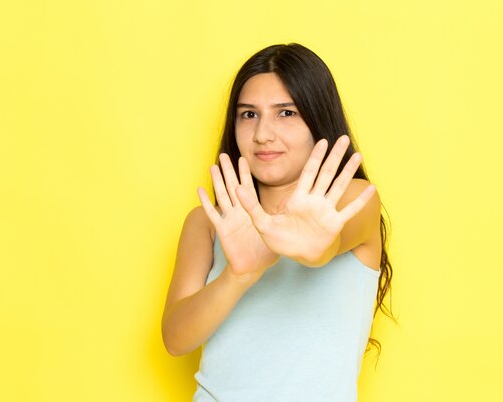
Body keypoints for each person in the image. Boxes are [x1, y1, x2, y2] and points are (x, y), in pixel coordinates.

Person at [162, 43, 393, 402]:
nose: (262, 135)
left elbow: (323, 247)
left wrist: (313, 245)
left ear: (317, 119)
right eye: (248, 114)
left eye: (286, 113)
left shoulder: (353, 198)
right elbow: (175, 340)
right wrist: (237, 276)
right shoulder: (207, 221)